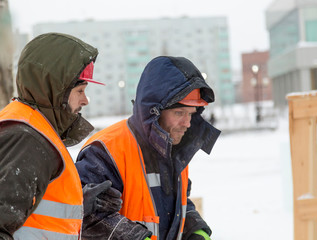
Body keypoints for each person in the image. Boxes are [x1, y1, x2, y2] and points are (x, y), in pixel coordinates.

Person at [75, 56, 221, 240]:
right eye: (179, 113)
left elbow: (177, 204)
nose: (188, 123)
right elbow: (88, 216)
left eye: (191, 114)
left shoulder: (174, 148)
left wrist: (196, 230)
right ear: (154, 111)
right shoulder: (106, 150)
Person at [0, 32, 121, 240]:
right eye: (80, 90)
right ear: (56, 90)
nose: (86, 100)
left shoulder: (34, 128)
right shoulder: (28, 139)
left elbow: (31, 214)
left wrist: (79, 203)